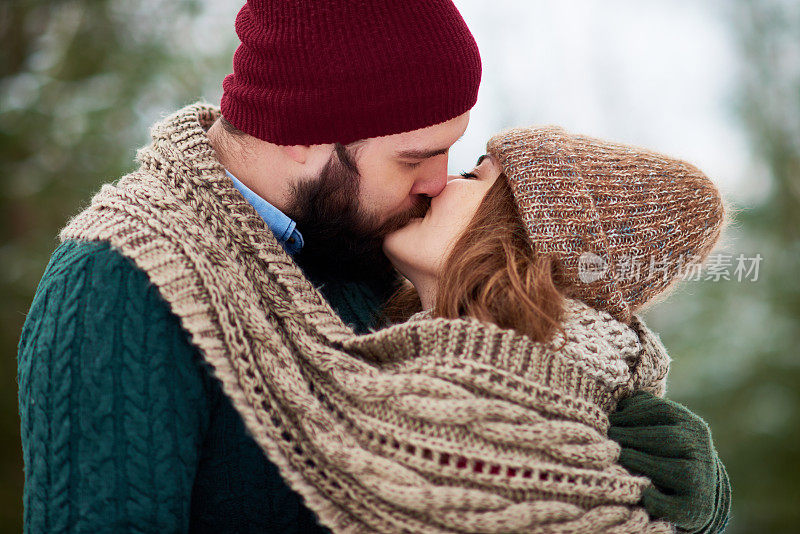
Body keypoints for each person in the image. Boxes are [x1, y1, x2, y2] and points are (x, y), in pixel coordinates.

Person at [16, 1, 727, 532]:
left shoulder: (380, 252)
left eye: (453, 152)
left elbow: (531, 410)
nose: (438, 185)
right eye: (413, 159)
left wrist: (691, 502)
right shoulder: (122, 283)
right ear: (299, 136)